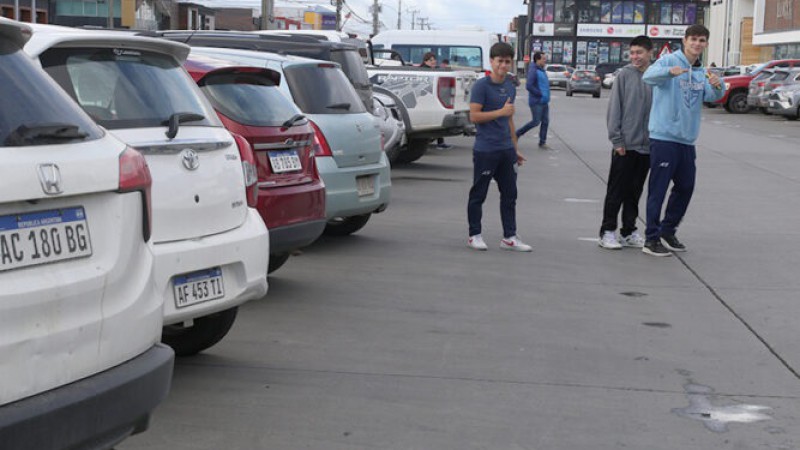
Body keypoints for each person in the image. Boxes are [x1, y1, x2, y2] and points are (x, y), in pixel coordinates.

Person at [640, 24, 725, 256]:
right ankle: (651, 239)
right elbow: (648, 77)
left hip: (687, 140)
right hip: (664, 137)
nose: (697, 44)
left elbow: (711, 96)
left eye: (702, 40)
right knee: (658, 189)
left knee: (686, 186)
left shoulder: (700, 70)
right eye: (694, 39)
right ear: (684, 40)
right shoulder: (670, 60)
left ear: (706, 44)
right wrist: (670, 72)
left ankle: (668, 230)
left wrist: (719, 87)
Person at [466, 42, 532, 252]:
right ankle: (474, 234)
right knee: (479, 194)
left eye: (507, 61)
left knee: (510, 194)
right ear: (491, 62)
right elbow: (474, 116)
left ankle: (509, 237)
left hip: (505, 150)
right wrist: (499, 113)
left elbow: (510, 121)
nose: (504, 65)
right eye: (500, 61)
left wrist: (515, 148)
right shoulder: (481, 87)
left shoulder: (510, 87)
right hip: (486, 149)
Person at [598, 35, 654, 250]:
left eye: (639, 53)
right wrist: (617, 139)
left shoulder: (655, 76)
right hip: (625, 145)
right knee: (616, 190)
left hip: (647, 146)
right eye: (632, 53)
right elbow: (614, 110)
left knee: (635, 191)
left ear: (650, 52)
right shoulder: (623, 75)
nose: (635, 57)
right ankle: (607, 231)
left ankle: (629, 231)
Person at [515, 52, 550, 149]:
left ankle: (542, 142)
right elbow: (529, 85)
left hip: (544, 101)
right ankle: (517, 134)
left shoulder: (542, 70)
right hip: (537, 101)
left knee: (545, 121)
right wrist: (540, 94)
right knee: (535, 121)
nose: (545, 60)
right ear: (537, 60)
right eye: (543, 58)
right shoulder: (533, 70)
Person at [419, 53, 453, 149]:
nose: (433, 61)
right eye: (431, 60)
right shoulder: (425, 71)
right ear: (425, 61)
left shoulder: (430, 70)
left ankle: (439, 142)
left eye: (434, 59)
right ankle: (438, 143)